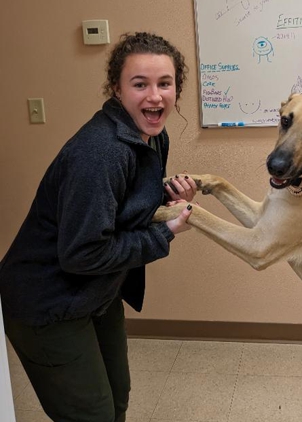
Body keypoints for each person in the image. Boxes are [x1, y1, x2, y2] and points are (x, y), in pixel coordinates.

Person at [0, 32, 197, 422]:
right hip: (47, 303)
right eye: (139, 84)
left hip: (96, 291)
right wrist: (165, 232)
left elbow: (119, 205)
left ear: (177, 88)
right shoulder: (101, 152)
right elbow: (83, 252)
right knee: (93, 415)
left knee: (116, 398)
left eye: (165, 84)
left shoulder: (153, 136)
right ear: (116, 89)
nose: (155, 97)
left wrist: (164, 197)